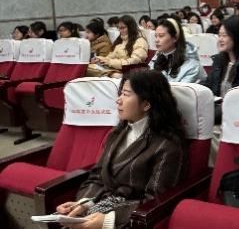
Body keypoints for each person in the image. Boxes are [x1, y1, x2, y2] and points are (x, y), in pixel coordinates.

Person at [56, 70, 187, 229]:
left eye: (126, 94)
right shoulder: (117, 133)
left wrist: (109, 220)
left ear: (146, 104)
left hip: (132, 221)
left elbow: (156, 201)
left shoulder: (167, 145)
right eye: (120, 94)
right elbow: (97, 176)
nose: (118, 100)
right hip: (100, 207)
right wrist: (83, 204)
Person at [149, 18, 206, 83]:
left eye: (161, 36)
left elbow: (180, 89)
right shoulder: (157, 58)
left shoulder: (192, 65)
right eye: (156, 36)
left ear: (175, 38)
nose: (156, 40)